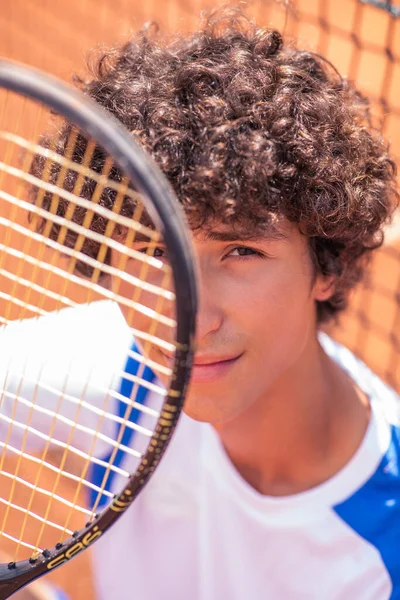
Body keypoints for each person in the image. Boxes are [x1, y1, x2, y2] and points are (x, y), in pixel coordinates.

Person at [1, 9, 400, 599]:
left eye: (240, 250)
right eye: (152, 250)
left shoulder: (385, 549)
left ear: (327, 263)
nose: (189, 320)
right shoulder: (120, 368)